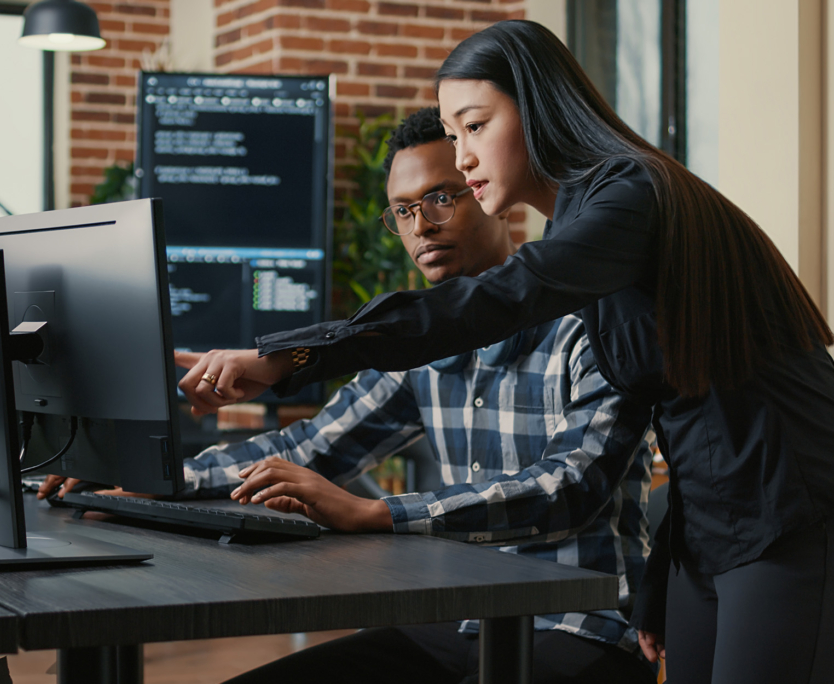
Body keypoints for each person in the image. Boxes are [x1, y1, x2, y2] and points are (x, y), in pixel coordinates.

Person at [175, 21, 834, 684]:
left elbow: (500, 299)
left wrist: (293, 356)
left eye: (474, 126)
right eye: (453, 134)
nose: (461, 157)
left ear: (539, 107)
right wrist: (662, 574)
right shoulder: (589, 226)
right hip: (708, 531)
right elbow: (693, 414)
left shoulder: (629, 194)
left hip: (793, 510)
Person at [43, 106, 655, 683]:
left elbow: (570, 488)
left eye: (441, 198)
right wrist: (154, 479)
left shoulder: (591, 323)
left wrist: (378, 511)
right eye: (404, 210)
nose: (423, 226)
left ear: (489, 190)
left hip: (584, 623)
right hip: (461, 617)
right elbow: (311, 446)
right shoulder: (419, 342)